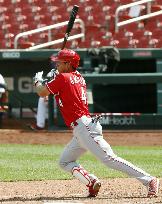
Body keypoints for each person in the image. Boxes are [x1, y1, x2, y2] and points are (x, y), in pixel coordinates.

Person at [33, 49, 159, 197]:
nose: (57, 65)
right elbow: (63, 86)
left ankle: (149, 180)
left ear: (67, 64)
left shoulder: (63, 78)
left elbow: (42, 92)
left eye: (60, 63)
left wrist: (38, 81)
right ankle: (91, 182)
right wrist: (56, 76)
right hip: (82, 128)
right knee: (65, 161)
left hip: (84, 127)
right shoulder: (78, 77)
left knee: (109, 159)